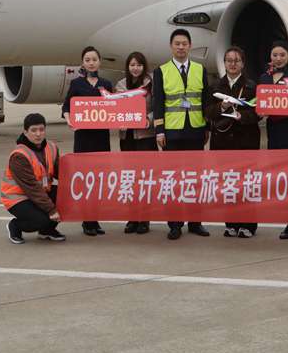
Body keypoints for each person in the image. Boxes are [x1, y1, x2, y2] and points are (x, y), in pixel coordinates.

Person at [152, 28, 211, 240]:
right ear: (171, 46)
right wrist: (159, 130)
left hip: (195, 130)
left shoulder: (199, 69)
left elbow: (204, 100)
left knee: (195, 179)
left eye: (184, 43)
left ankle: (196, 222)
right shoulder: (161, 71)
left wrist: (206, 127)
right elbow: (158, 102)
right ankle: (175, 224)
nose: (181, 47)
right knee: (173, 180)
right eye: (177, 43)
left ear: (190, 45)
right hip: (172, 132)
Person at [205, 46, 260, 238]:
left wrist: (241, 116)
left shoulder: (252, 86)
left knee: (246, 183)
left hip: (246, 141)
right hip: (222, 142)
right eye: (229, 60)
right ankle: (231, 223)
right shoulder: (215, 87)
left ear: (243, 63)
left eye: (236, 60)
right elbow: (207, 112)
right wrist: (222, 106)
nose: (233, 64)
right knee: (227, 183)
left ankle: (249, 225)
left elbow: (258, 113)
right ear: (224, 63)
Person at [62, 46, 113, 236]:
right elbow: (67, 106)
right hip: (83, 138)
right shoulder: (76, 84)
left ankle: (95, 220)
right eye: (87, 60)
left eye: (94, 59)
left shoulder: (106, 83)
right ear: (83, 63)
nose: (91, 63)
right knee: (86, 180)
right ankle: (87, 221)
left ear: (100, 62)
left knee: (99, 180)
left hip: (101, 138)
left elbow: (115, 108)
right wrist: (69, 121)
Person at [259, 41, 288, 240]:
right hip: (273, 131)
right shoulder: (264, 78)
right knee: (281, 178)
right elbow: (260, 106)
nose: (278, 58)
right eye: (274, 55)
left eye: (282, 55)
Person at [2, 113, 66, 244]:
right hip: (18, 198)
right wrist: (52, 210)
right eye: (33, 130)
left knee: (67, 198)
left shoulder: (52, 147)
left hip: (40, 192)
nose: (38, 134)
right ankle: (15, 226)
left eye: (41, 130)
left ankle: (46, 231)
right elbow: (32, 188)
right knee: (41, 220)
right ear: (25, 132)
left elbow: (61, 173)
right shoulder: (19, 155)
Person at [116, 51, 156, 234]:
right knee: (130, 179)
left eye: (139, 65)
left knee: (145, 179)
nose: (135, 68)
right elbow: (115, 109)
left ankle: (144, 219)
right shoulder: (120, 85)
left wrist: (148, 118)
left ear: (144, 66)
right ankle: (132, 218)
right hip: (127, 137)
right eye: (132, 65)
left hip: (146, 136)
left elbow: (158, 106)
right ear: (128, 67)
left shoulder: (152, 83)